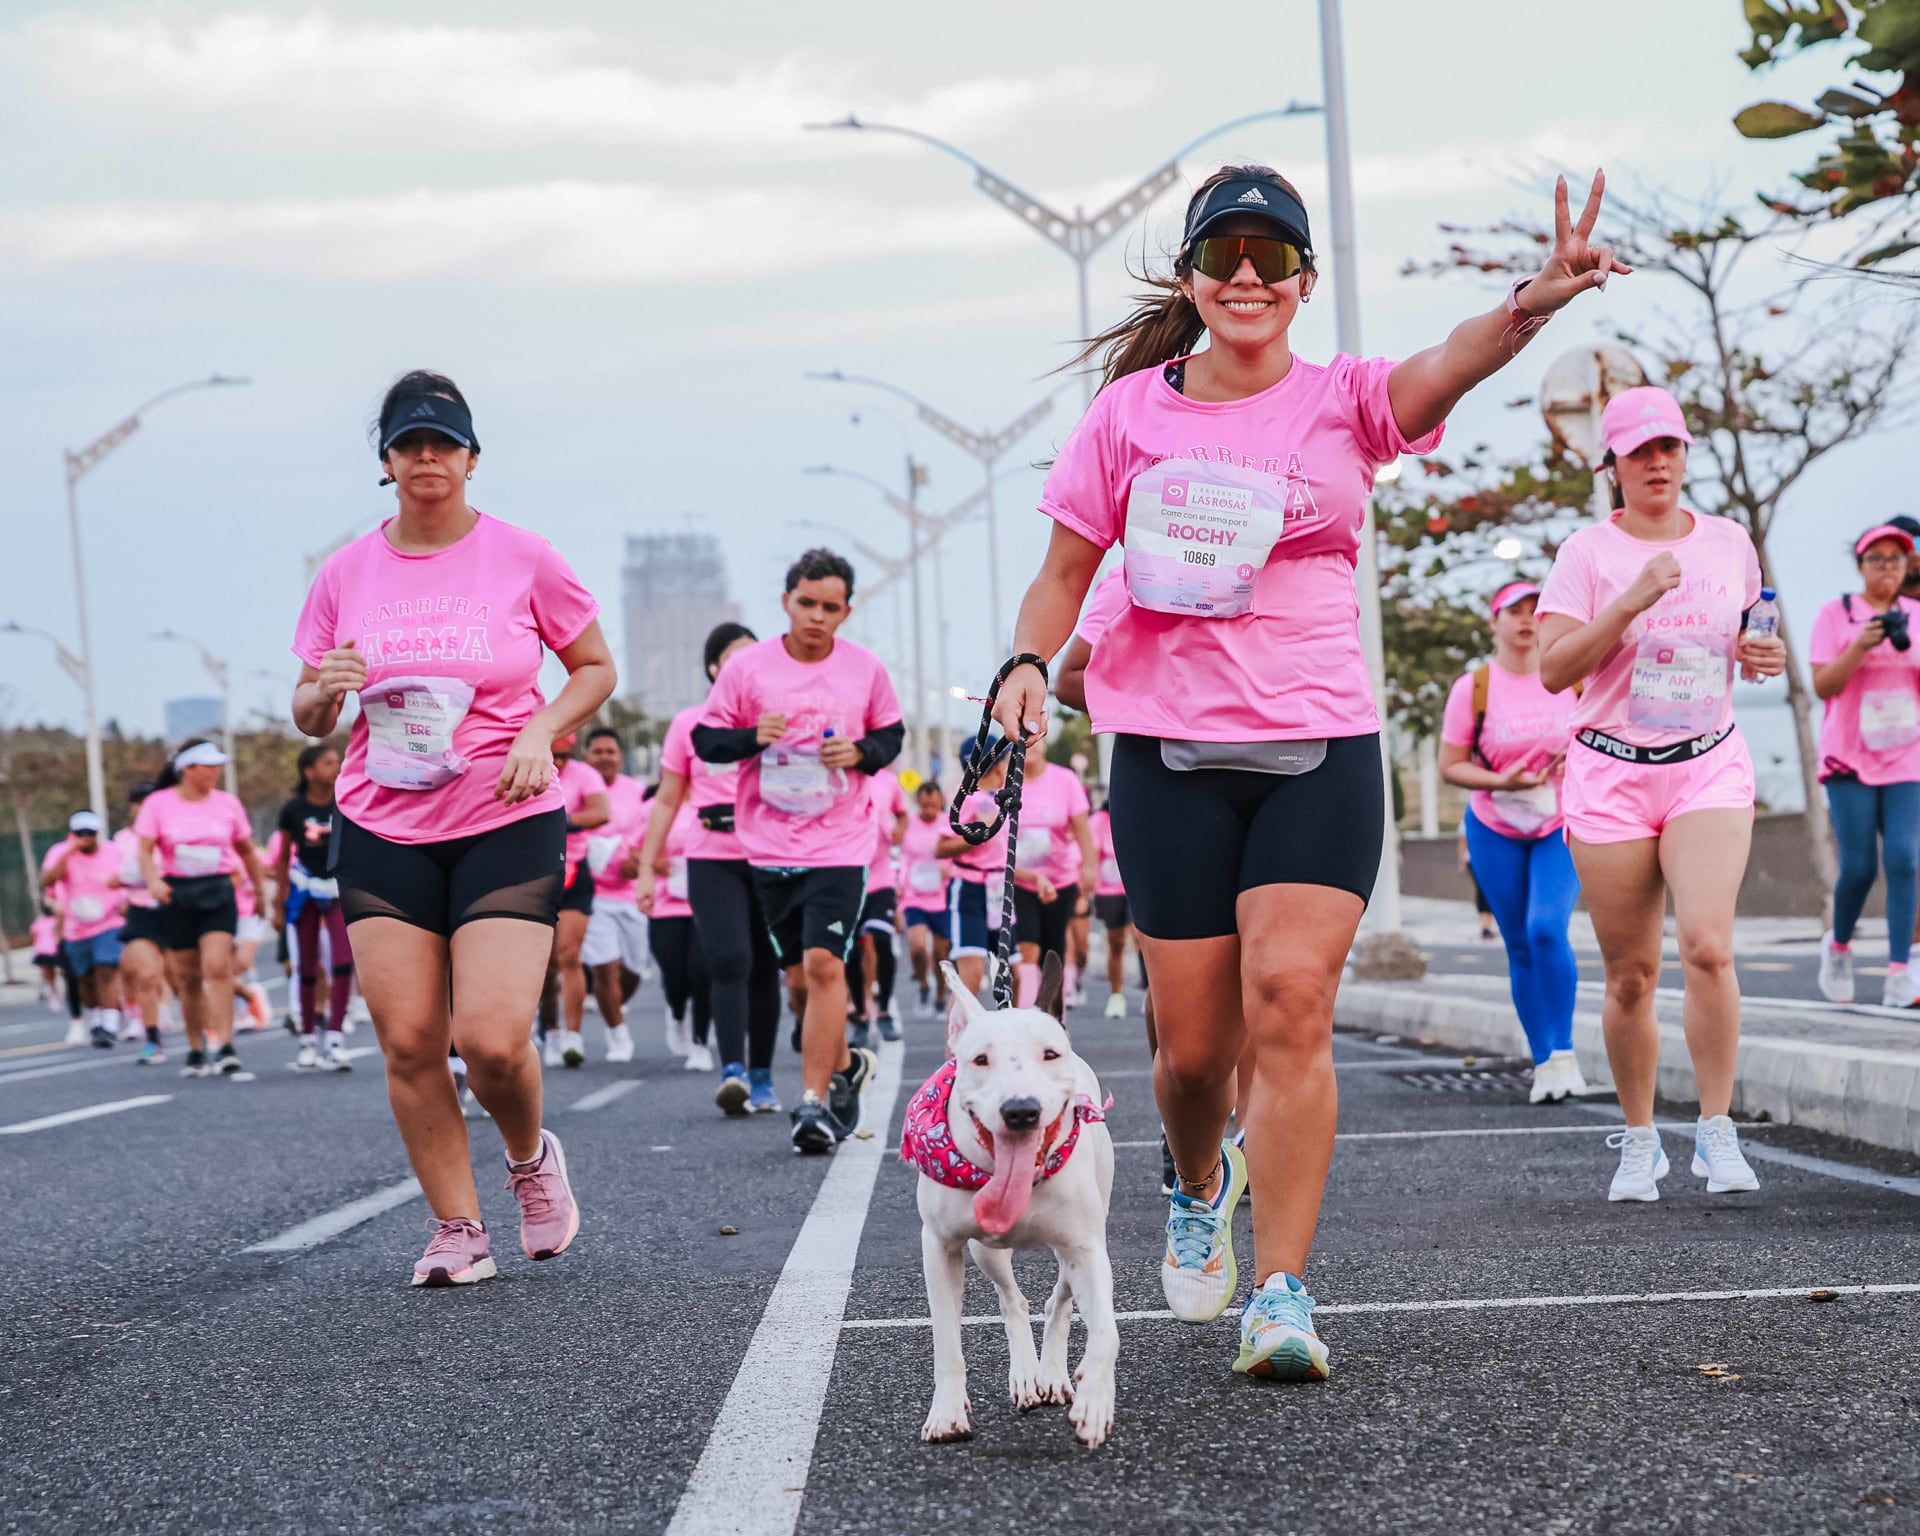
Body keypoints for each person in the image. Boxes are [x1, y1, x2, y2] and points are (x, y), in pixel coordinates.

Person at [992, 163, 1624, 1380]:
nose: (1246, 275)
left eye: (1272, 258)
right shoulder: (1128, 416)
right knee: (1190, 1055)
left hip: (1319, 748)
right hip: (1172, 758)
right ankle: (1197, 1178)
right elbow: (1066, 573)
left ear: (1302, 282)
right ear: (1190, 278)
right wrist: (1027, 663)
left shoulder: (1346, 401)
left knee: (1290, 1006)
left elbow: (1449, 360)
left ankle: (1279, 1292)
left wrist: (1532, 305)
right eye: (1223, 255)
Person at [291, 369, 615, 1286]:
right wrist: (324, 688)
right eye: (408, 443)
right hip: (383, 819)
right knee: (407, 1037)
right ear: (386, 463)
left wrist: (541, 731)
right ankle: (457, 1228)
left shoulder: (524, 556)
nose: (426, 457)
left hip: (503, 810)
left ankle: (528, 1161)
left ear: (472, 458)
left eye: (443, 442)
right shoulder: (345, 572)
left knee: (492, 1038)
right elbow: (309, 713)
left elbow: (593, 667)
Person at [1536, 383, 1785, 1203]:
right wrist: (1633, 601)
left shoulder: (1728, 543)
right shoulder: (1587, 555)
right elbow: (1556, 669)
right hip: (1610, 773)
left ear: (1684, 456)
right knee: (1632, 974)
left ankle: (1717, 1131)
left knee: (1709, 947)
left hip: (1707, 763)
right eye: (1639, 451)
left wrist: (1760, 655)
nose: (1656, 463)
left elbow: (1752, 631)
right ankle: (1640, 1140)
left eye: (1668, 447)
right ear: (1610, 465)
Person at [693, 548, 903, 1153]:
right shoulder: (748, 670)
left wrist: (860, 753)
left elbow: (891, 736)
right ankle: (846, 1064)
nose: (816, 616)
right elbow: (707, 740)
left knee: (824, 967)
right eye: (806, 603)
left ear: (846, 611)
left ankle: (810, 1104)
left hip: (841, 841)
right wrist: (749, 736)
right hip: (766, 843)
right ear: (786, 601)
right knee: (798, 984)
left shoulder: (865, 669)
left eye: (829, 607)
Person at [1439, 583, 1585, 1101]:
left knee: (1547, 928)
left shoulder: (1572, 679)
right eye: (1514, 612)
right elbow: (1450, 765)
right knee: (1519, 942)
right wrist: (1503, 782)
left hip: (1558, 823)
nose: (1526, 621)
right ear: (1493, 620)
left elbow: (1606, 740)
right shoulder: (1473, 687)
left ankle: (1566, 1053)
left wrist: (1580, 760)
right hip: (1494, 825)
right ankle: (1543, 1059)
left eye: (1535, 612)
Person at [640, 622, 783, 1112]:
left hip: (770, 854)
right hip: (710, 855)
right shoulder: (690, 724)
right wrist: (645, 867)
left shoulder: (779, 717)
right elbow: (666, 799)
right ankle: (733, 1072)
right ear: (713, 668)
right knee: (728, 960)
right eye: (734, 659)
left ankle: (763, 1077)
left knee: (765, 965)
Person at [1811, 523, 1920, 1007]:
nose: (1887, 568)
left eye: (1896, 559)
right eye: (1877, 559)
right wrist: (1861, 645)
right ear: (1860, 565)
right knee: (1858, 867)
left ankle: (1900, 973)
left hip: (1907, 755)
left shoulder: (1916, 615)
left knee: (1905, 858)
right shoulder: (1836, 615)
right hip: (1849, 757)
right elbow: (1824, 687)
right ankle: (1837, 947)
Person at [135, 740, 269, 1078]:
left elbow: (247, 850)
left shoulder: (227, 804)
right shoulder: (158, 804)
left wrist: (260, 894)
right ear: (187, 769)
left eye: (217, 765)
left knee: (217, 967)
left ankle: (225, 1045)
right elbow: (145, 849)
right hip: (177, 893)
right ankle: (196, 1048)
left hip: (218, 889)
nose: (215, 771)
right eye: (207, 765)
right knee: (188, 977)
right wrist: (153, 881)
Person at [274, 743, 355, 1070]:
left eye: (338, 761)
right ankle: (308, 1038)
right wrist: (279, 902)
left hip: (338, 887)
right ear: (309, 771)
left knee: (342, 960)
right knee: (307, 965)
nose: (336, 767)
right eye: (327, 762)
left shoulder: (347, 800)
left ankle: (335, 1037)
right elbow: (281, 858)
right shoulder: (293, 808)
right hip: (305, 887)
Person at [630, 789, 716, 1074]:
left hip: (705, 901)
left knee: (702, 974)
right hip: (665, 903)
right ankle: (677, 1012)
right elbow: (634, 847)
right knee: (675, 975)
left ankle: (700, 1043)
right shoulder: (654, 808)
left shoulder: (712, 802)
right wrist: (654, 863)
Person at [542, 734, 611, 1068]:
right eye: (552, 755)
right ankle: (551, 1030)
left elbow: (601, 811)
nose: (557, 762)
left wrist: (564, 821)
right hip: (533, 873)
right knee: (544, 964)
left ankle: (573, 1035)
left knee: (569, 954)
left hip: (574, 870)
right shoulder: (526, 764)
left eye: (564, 756)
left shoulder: (584, 774)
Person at [580, 726, 648, 1062]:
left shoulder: (637, 791)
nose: (605, 757)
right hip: (593, 893)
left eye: (611, 751)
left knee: (634, 966)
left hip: (632, 892)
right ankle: (617, 1034)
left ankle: (615, 1005)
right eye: (598, 752)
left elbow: (650, 831)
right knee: (604, 967)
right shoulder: (576, 788)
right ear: (587, 756)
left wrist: (639, 859)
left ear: (620, 757)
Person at [1010, 751, 1097, 1009]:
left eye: (1038, 742)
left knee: (1053, 953)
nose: (1032, 748)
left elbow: (1082, 828)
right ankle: (1025, 1017)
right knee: (1027, 949)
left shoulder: (1065, 780)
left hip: (1060, 880)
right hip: (1020, 881)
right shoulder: (1008, 780)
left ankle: (1054, 1019)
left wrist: (1089, 867)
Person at [44, 811, 127, 1049]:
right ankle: (97, 1016)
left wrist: (123, 896)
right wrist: (70, 852)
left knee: (106, 970)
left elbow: (129, 878)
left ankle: (109, 1026)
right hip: (76, 928)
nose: (86, 838)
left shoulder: (113, 851)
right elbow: (48, 881)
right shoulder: (60, 852)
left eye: (90, 833)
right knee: (86, 981)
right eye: (81, 833)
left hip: (109, 923)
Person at [846, 767, 908, 1048]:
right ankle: (860, 1013)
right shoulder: (841, 774)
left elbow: (903, 813)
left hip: (881, 876)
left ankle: (883, 1010)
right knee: (853, 950)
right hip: (847, 875)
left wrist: (898, 831)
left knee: (882, 939)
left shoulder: (888, 780)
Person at [114, 783, 171, 1063]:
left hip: (174, 907)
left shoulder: (176, 828)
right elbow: (114, 876)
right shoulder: (123, 838)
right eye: (137, 802)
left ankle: (214, 1038)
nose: (142, 806)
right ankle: (153, 1041)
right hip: (139, 910)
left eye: (147, 801)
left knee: (184, 978)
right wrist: (125, 889)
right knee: (146, 974)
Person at [899, 779, 955, 1017]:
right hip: (914, 896)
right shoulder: (908, 825)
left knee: (942, 955)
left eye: (933, 805)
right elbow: (902, 858)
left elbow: (960, 853)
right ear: (918, 804)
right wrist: (899, 886)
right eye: (924, 806)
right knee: (918, 946)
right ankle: (923, 984)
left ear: (941, 802)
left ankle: (941, 996)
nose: (929, 811)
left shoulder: (950, 824)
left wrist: (949, 869)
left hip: (942, 898)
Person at [1089, 796, 1132, 1019]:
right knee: (1117, 943)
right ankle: (1117, 995)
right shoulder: (1099, 820)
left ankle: (1153, 996)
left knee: (1144, 940)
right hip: (1108, 891)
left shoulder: (1136, 814)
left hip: (1136, 890)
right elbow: (1092, 855)